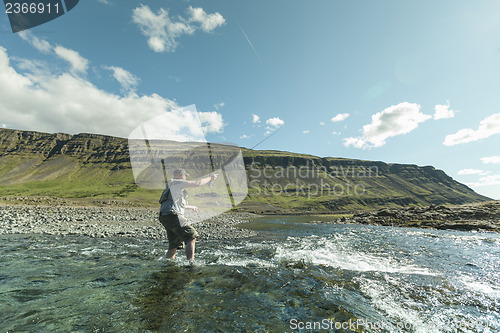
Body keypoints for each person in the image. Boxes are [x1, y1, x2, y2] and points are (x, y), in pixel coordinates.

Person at [158, 168, 218, 264]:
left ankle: (168, 264)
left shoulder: (174, 187)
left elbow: (179, 204)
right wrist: (211, 178)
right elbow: (197, 183)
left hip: (166, 216)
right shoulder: (175, 182)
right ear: (180, 175)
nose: (186, 177)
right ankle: (191, 264)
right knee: (191, 235)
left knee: (174, 244)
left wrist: (191, 207)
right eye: (185, 175)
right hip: (172, 215)